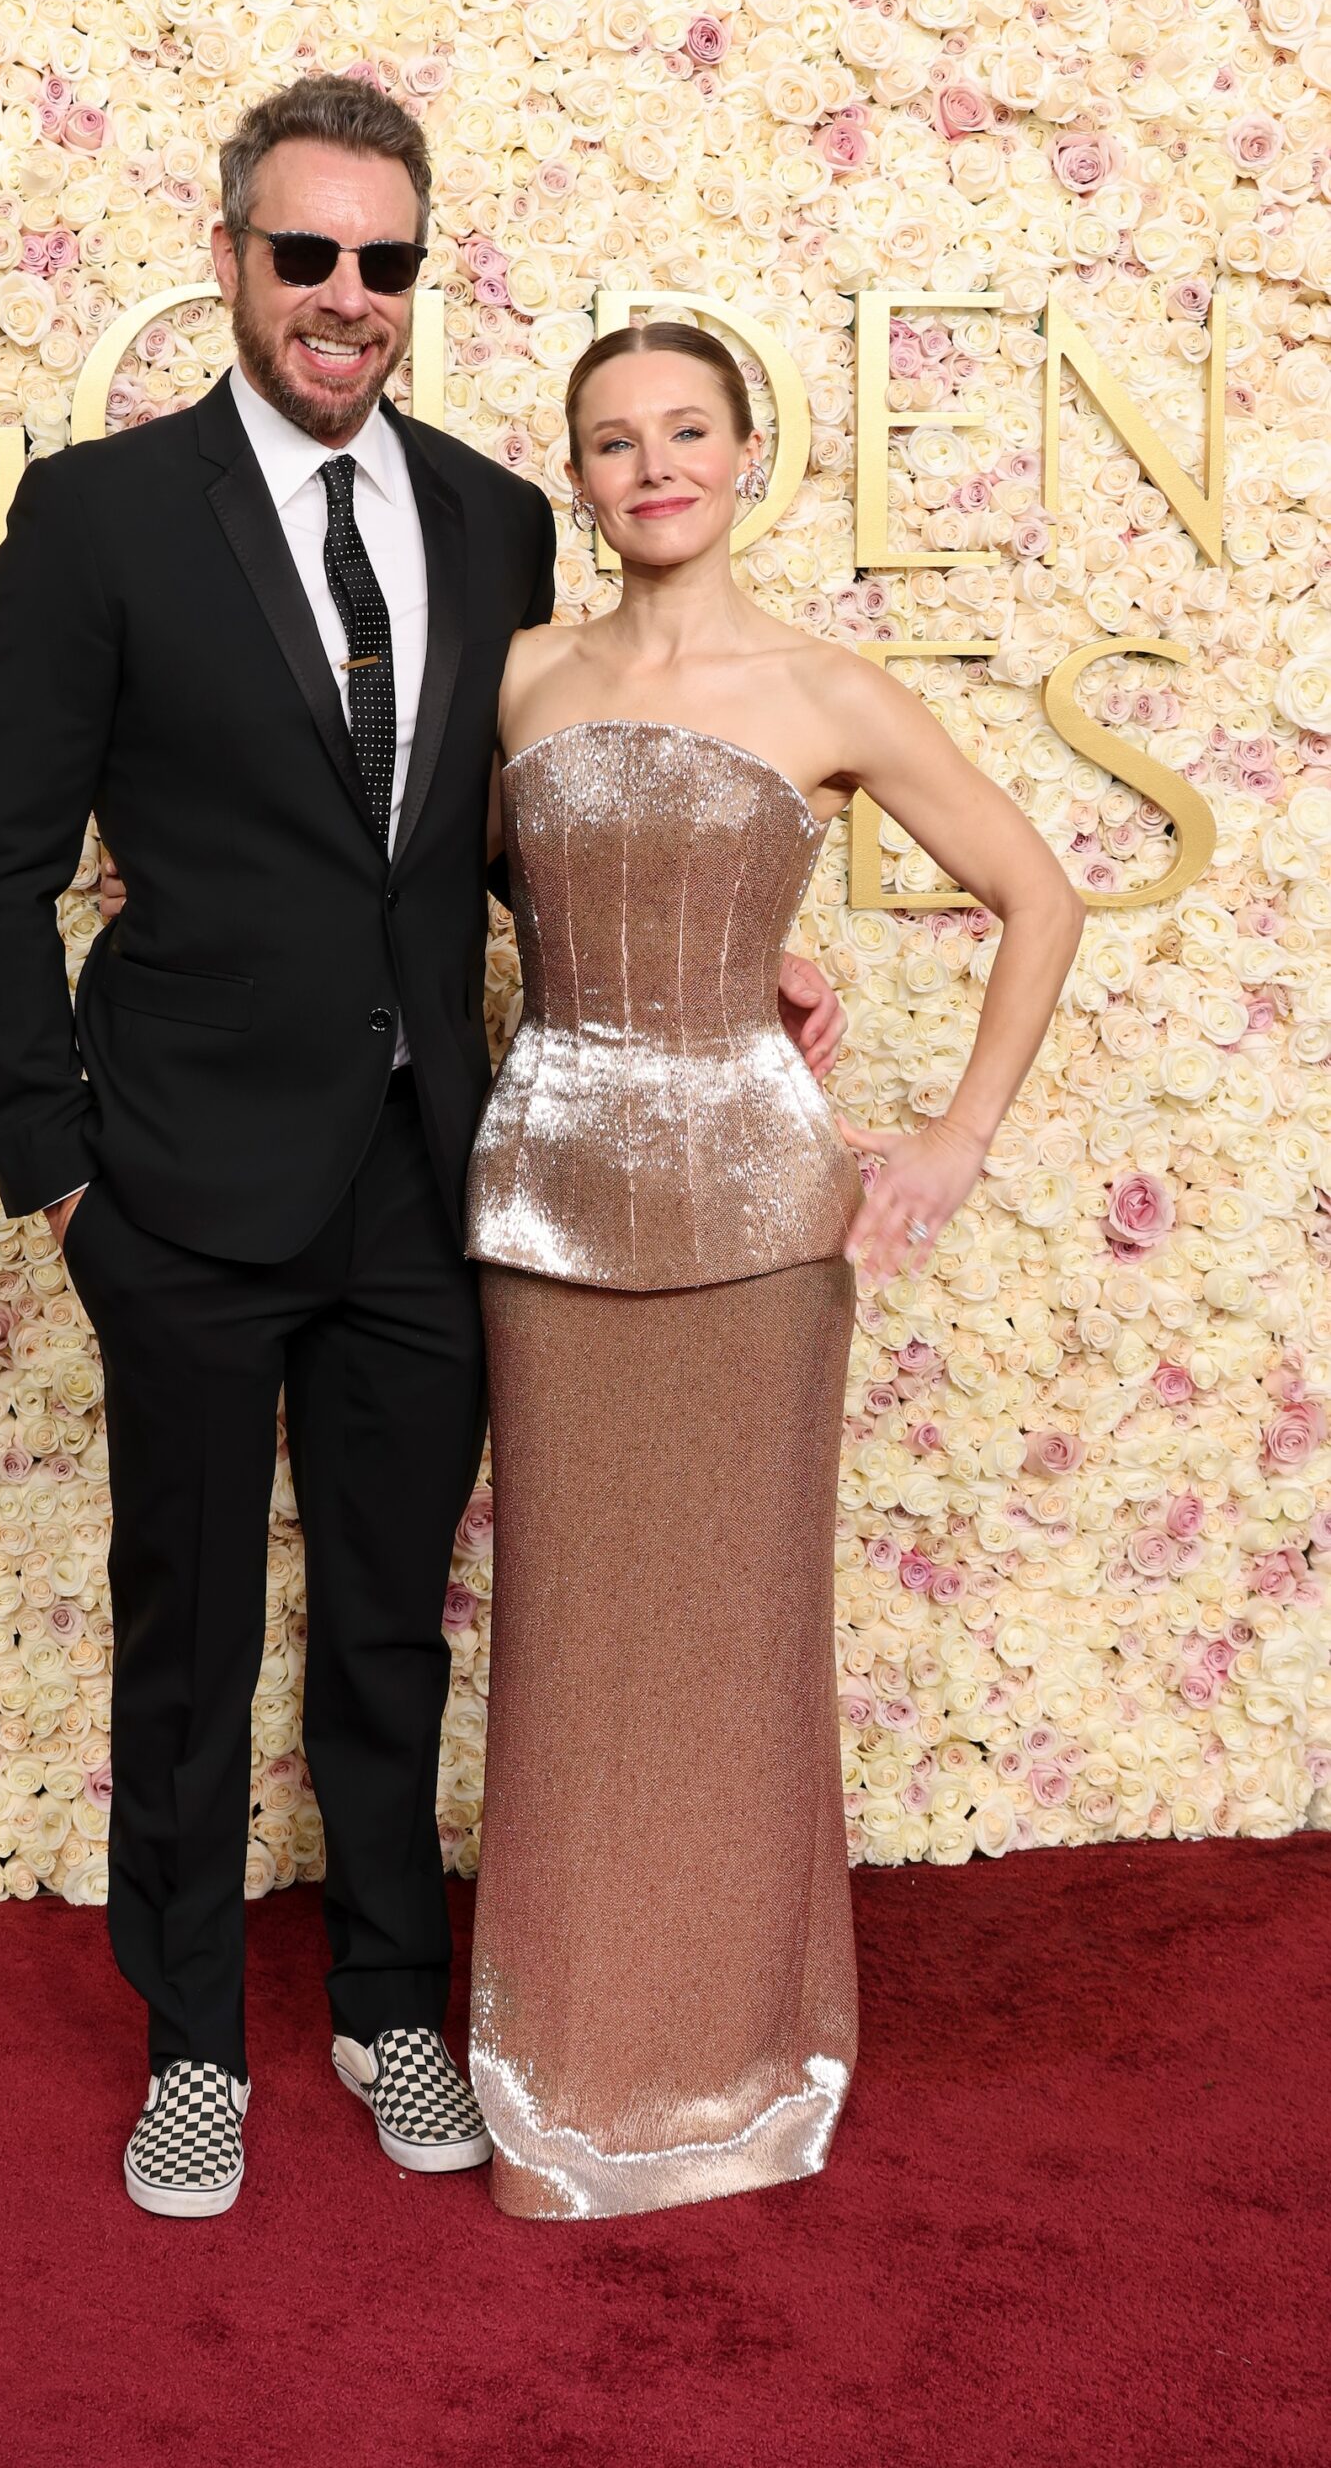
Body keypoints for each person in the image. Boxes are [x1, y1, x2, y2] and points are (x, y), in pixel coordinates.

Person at [0, 76, 847, 2220]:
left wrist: (741, 974)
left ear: (411, 279)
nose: (344, 297)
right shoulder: (98, 515)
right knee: (184, 1638)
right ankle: (185, 2045)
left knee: (385, 1624)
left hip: (431, 1167)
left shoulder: (486, 518)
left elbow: (491, 839)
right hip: (168, 1174)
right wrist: (54, 1166)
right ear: (234, 254)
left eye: (385, 263)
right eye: (305, 254)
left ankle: (380, 1998)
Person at [462, 318, 1086, 2218]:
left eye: (684, 430)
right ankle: (559, 2051)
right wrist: (723, 934)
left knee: (735, 1639)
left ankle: (736, 2058)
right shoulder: (517, 678)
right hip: (548, 1206)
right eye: (611, 440)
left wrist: (954, 1134)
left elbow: (1035, 891)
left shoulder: (829, 687)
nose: (651, 464)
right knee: (570, 1636)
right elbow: (498, 878)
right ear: (577, 475)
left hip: (755, 1224)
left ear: (747, 454)